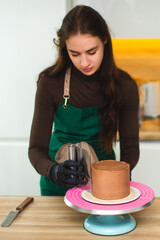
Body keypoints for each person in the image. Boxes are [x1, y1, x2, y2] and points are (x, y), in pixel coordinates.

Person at [28, 5, 139, 196]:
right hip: (56, 187)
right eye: (75, 54)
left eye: (91, 51)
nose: (84, 63)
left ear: (104, 40)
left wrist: (116, 177)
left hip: (104, 186)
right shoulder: (50, 83)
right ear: (65, 49)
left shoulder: (124, 86)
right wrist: (54, 171)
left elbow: (130, 149)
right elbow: (36, 149)